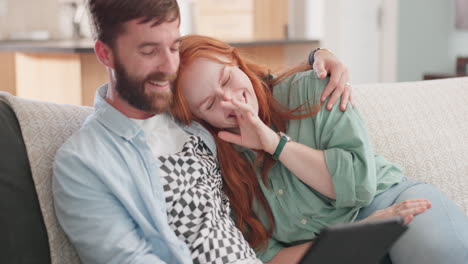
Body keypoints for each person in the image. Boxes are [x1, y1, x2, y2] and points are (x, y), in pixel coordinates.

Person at [51, 0, 354, 263]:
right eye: (149, 51)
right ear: (106, 54)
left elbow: (259, 85)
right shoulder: (83, 163)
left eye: (173, 46)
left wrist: (317, 58)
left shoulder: (193, 115)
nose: (171, 65)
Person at [172, 34, 468, 264]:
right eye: (210, 104)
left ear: (234, 59)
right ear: (200, 119)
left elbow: (359, 184)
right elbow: (268, 256)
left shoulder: (310, 88)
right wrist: (356, 236)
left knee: (438, 250)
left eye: (225, 79)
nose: (230, 101)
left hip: (389, 201)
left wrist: (273, 144)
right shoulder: (218, 165)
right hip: (328, 250)